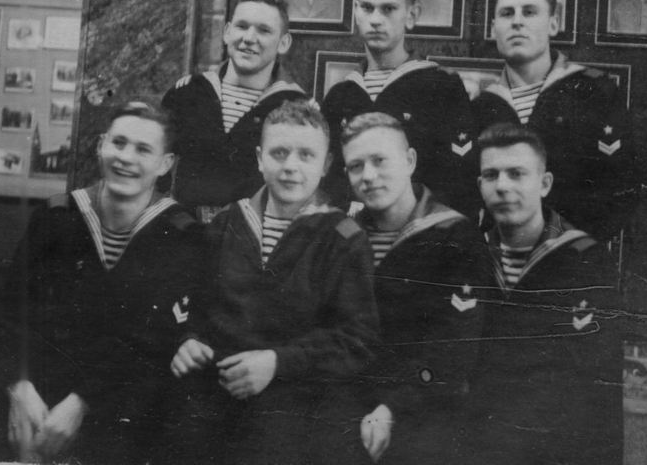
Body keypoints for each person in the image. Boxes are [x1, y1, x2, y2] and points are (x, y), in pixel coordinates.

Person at [170, 100, 379, 464]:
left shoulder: (344, 237)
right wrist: (188, 339)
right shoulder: (225, 223)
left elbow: (356, 339)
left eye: (306, 155)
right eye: (279, 153)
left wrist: (277, 362)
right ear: (259, 158)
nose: (291, 166)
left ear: (326, 164)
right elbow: (194, 308)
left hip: (296, 403)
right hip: (216, 393)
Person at [3, 102, 206, 464]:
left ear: (165, 164)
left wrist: (81, 403)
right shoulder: (56, 217)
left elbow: (152, 344)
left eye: (143, 149)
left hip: (125, 408)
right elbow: (8, 311)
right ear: (101, 146)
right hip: (41, 395)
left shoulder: (180, 234)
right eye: (119, 143)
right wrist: (19, 386)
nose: (126, 158)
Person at [464, 122, 622, 465]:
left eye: (516, 173)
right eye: (491, 175)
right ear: (480, 186)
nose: (502, 186)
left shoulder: (586, 260)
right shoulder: (467, 258)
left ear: (544, 183)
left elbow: (600, 391)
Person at [339, 112, 492, 463]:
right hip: (348, 406)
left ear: (409, 161)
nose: (368, 176)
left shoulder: (454, 236)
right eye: (356, 166)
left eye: (380, 160)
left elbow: (454, 349)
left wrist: (392, 407)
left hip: (424, 410)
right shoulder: (342, 235)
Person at [472, 0, 637, 242]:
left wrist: (572, 248)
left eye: (529, 12)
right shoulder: (481, 106)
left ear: (553, 24)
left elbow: (621, 189)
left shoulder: (595, 92)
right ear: (493, 28)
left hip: (574, 255)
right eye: (507, 13)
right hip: (498, 258)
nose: (517, 21)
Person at [322, 0, 479, 216]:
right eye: (368, 8)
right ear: (356, 11)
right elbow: (328, 184)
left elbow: (460, 183)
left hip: (421, 231)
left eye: (388, 9)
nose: (375, 19)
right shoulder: (340, 96)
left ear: (412, 14)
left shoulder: (441, 87)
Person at [162, 0, 308, 222]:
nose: (249, 38)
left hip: (252, 234)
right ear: (227, 32)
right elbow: (156, 171)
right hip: (183, 230)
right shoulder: (188, 93)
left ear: (283, 43)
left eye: (264, 30)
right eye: (242, 26)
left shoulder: (296, 108)